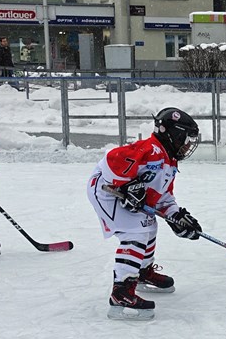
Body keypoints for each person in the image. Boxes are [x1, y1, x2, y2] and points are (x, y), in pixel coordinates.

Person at [86, 107, 203, 321]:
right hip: (105, 192)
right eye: (186, 139)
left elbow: (162, 197)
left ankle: (142, 272)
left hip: (120, 195)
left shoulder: (169, 161)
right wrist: (127, 187)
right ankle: (121, 292)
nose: (188, 145)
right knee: (135, 233)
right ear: (174, 135)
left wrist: (176, 216)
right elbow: (111, 160)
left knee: (149, 226)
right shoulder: (149, 149)